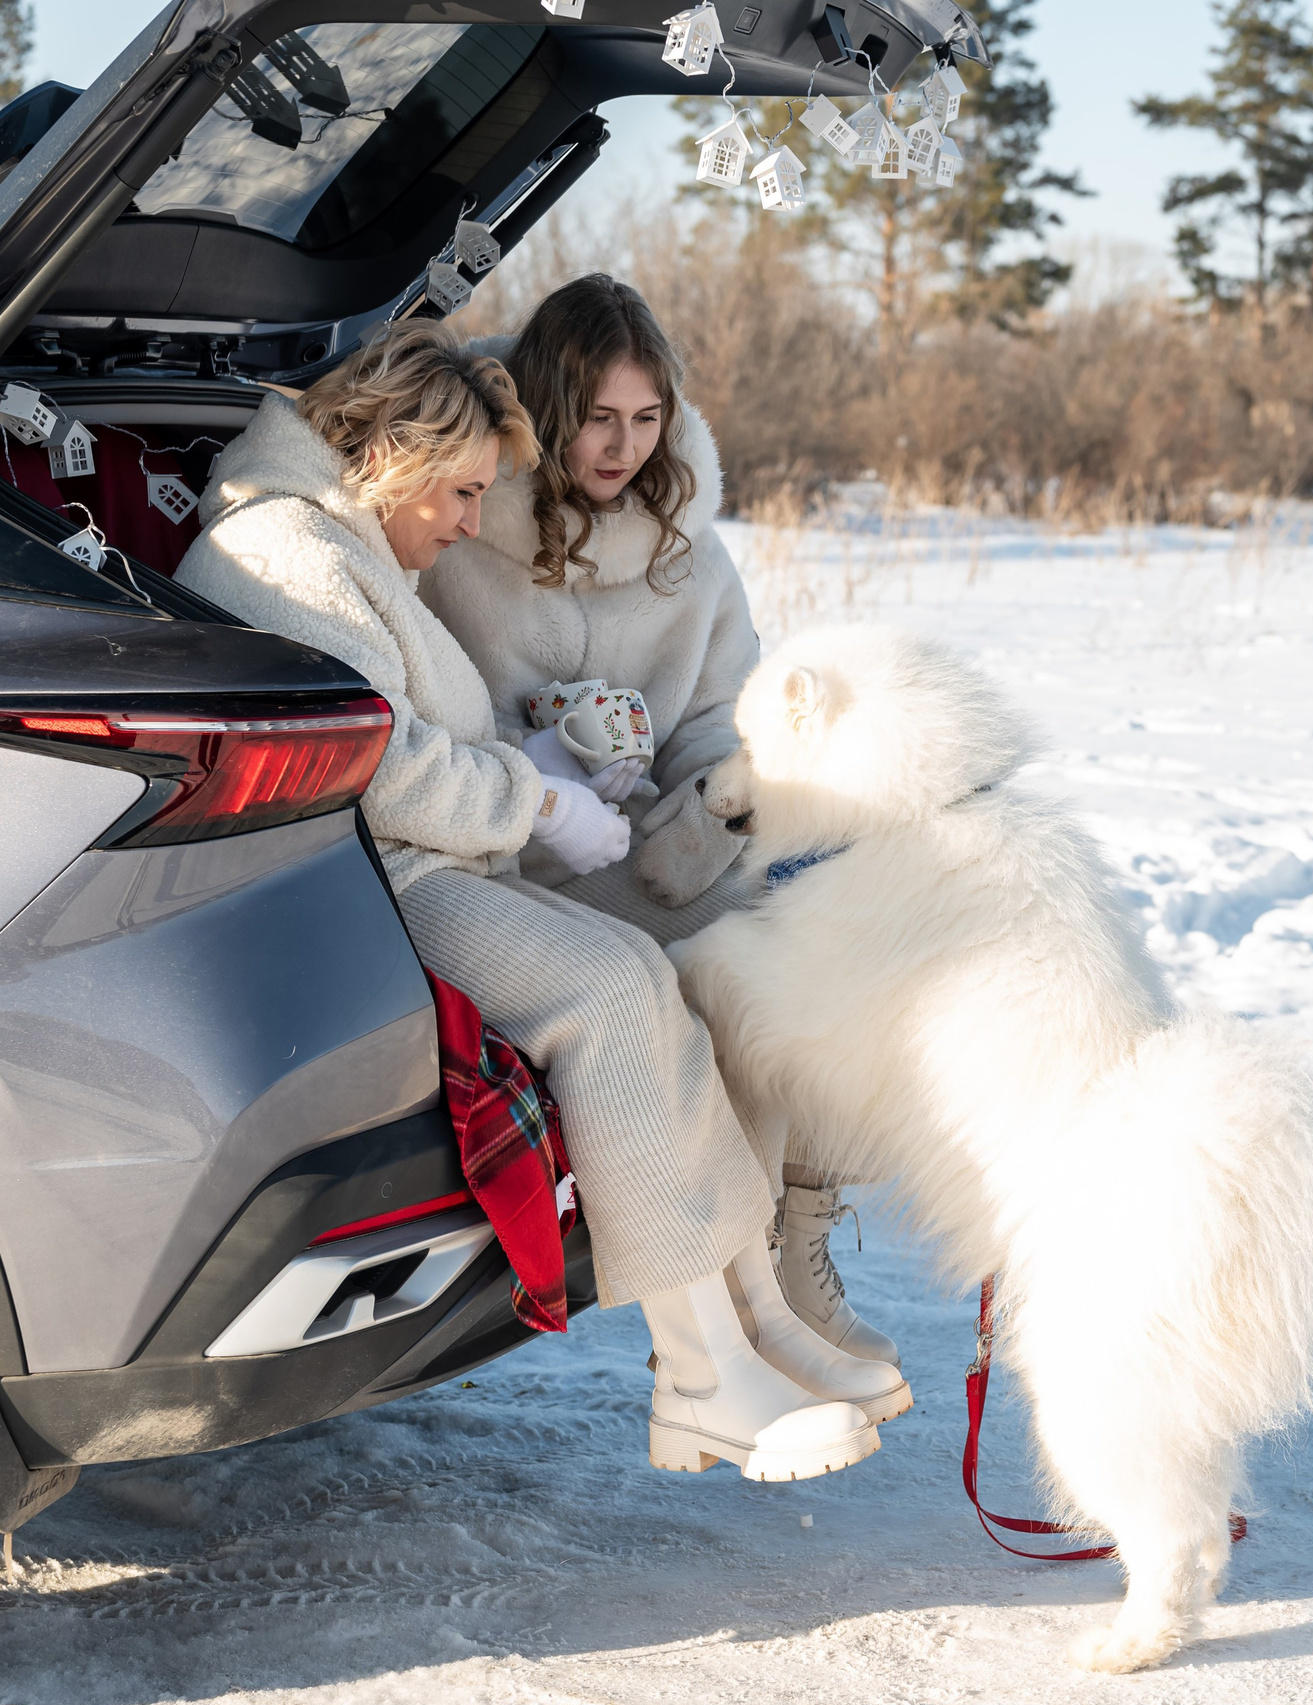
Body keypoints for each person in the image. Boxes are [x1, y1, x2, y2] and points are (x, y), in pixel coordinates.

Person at [174, 320, 906, 1482]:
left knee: (651, 972)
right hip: (374, 880)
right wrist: (539, 799)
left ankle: (757, 1319)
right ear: (394, 459)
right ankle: (702, 1377)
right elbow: (386, 766)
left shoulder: (345, 539)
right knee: (606, 989)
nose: (472, 523)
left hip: (427, 860)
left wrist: (547, 773)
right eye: (463, 491)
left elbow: (411, 736)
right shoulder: (292, 553)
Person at [420, 275, 898, 1368]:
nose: (623, 447)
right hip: (519, 850)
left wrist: (726, 804)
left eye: (646, 419)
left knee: (806, 940)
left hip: (656, 839)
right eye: (597, 417)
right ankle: (731, 1300)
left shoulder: (688, 547)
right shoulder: (463, 524)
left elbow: (717, 718)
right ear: (547, 406)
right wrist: (545, 767)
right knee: (725, 960)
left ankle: (789, 1247)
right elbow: (441, 717)